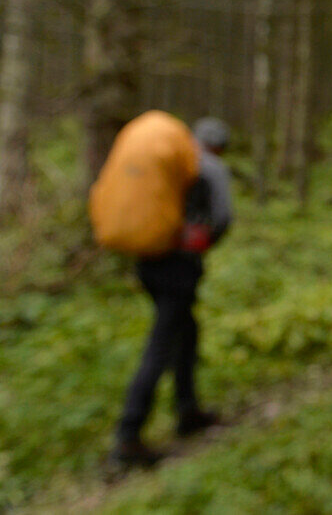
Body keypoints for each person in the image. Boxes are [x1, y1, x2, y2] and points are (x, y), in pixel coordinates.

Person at [111, 117, 234, 467]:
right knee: (162, 342)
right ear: (221, 145)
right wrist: (200, 243)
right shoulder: (210, 167)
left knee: (186, 330)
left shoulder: (171, 160)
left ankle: (187, 409)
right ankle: (129, 434)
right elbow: (223, 218)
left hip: (147, 259)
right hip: (178, 265)